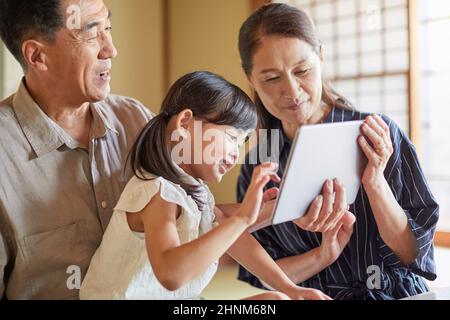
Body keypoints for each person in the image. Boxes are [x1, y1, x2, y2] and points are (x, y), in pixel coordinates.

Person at [236, 3, 439, 300]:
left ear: (321, 57)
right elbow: (263, 272)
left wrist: (375, 183)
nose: (292, 91)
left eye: (302, 70)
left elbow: (412, 253)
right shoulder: (259, 163)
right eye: (271, 78)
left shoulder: (376, 133)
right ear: (250, 78)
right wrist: (321, 256)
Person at [79, 71, 338, 300]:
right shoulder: (156, 193)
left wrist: (291, 289)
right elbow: (171, 274)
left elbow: (232, 233)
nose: (236, 153)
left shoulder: (194, 191)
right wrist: (244, 218)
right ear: (185, 123)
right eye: (231, 138)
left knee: (276, 299)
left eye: (241, 143)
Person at [0, 0, 152, 299]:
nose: (110, 50)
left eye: (108, 28)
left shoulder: (136, 120)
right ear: (37, 55)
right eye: (93, 33)